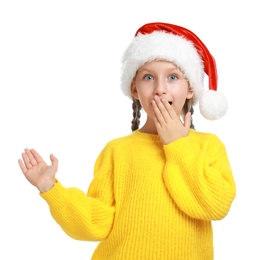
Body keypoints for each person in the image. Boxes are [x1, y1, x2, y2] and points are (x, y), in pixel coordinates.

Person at [18, 22, 236, 259]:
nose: (160, 88)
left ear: (191, 89)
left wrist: (178, 146)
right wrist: (50, 189)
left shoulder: (208, 146)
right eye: (148, 77)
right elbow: (97, 223)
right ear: (135, 89)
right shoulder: (117, 151)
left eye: (173, 77)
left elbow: (215, 206)